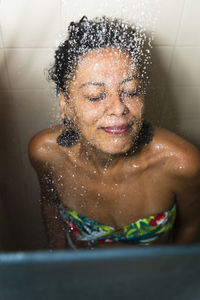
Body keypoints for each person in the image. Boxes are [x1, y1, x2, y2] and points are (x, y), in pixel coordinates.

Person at [28, 16, 200, 250]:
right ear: (66, 105)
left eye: (131, 91)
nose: (119, 108)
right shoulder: (46, 153)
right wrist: (58, 262)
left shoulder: (181, 163)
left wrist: (169, 275)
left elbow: (191, 225)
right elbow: (50, 202)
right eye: (95, 96)